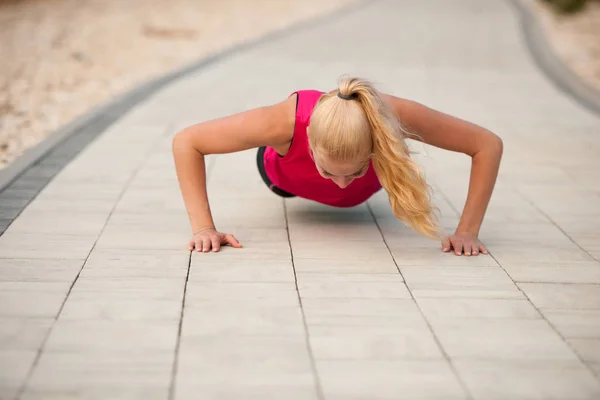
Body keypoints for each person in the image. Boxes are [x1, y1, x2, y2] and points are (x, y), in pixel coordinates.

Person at [172, 76, 503, 256]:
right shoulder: (283, 123)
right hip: (284, 180)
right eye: (329, 172)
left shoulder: (390, 118)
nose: (341, 185)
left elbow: (486, 144)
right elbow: (188, 141)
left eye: (357, 171)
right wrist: (203, 228)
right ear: (309, 142)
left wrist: (466, 232)